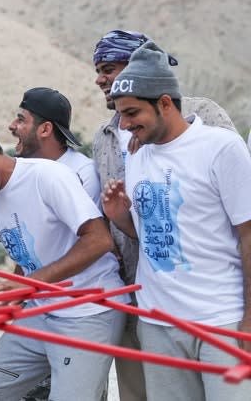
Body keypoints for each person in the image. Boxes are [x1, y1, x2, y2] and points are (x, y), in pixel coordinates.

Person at [0, 116, 128, 401]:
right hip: (39, 313)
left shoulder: (46, 176)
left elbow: (99, 239)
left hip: (88, 312)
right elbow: (28, 260)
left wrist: (29, 284)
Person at [91, 29, 238, 401]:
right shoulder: (136, 151)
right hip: (155, 320)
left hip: (219, 319)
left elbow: (245, 230)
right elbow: (156, 231)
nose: (124, 125)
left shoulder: (218, 142)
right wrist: (121, 215)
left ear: (166, 103)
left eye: (132, 113)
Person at [8, 87, 104, 400]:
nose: (12, 126)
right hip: (38, 307)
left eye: (21, 119)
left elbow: (91, 244)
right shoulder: (22, 172)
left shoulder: (82, 173)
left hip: (79, 311)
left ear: (46, 129)